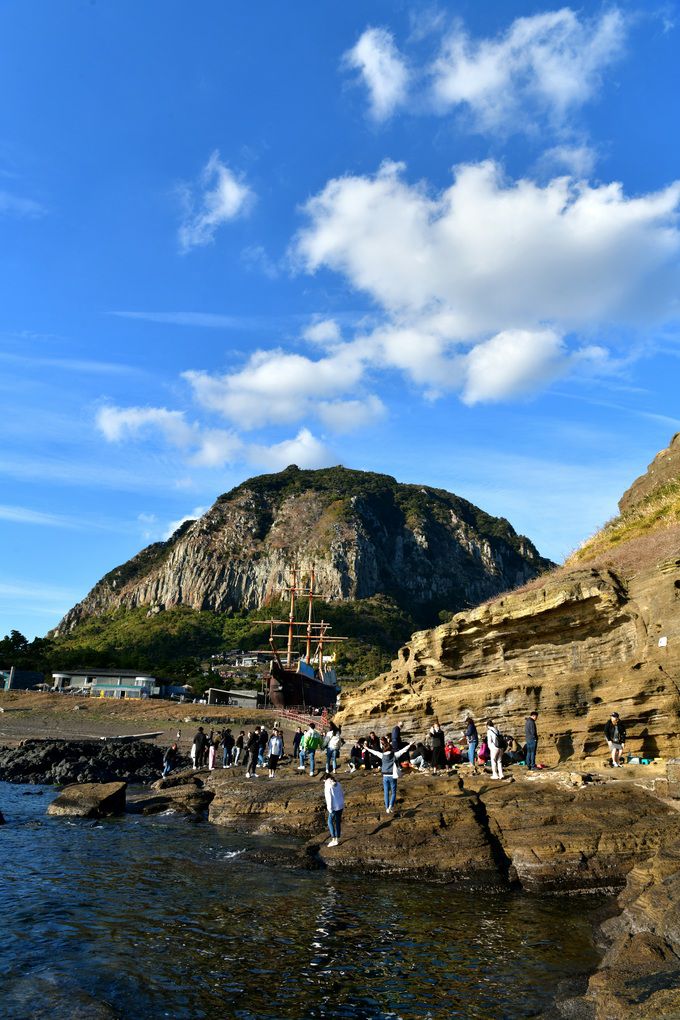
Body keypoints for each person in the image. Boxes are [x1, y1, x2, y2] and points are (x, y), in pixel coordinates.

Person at [365, 736, 413, 814]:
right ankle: (391, 806)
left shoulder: (382, 755)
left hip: (385, 776)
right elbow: (403, 750)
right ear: (390, 748)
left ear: (384, 749)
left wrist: (367, 748)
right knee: (393, 793)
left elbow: (374, 752)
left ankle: (387, 808)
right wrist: (410, 745)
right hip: (392, 776)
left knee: (386, 793)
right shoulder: (394, 755)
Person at [324, 771, 345, 847]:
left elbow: (329, 798)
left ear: (325, 780)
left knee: (330, 822)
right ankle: (337, 838)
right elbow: (342, 794)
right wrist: (343, 804)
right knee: (338, 822)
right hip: (340, 805)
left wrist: (330, 809)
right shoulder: (338, 784)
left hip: (334, 807)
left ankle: (334, 839)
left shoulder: (327, 786)